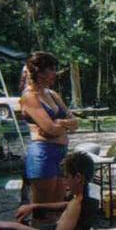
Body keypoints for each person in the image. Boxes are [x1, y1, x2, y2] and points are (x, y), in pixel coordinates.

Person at [20, 52, 78, 216]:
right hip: (43, 154)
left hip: (61, 154)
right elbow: (49, 129)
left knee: (58, 208)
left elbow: (75, 123)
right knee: (42, 211)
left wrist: (61, 123)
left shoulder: (52, 94)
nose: (55, 73)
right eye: (51, 69)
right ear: (39, 72)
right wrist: (60, 125)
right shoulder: (29, 97)